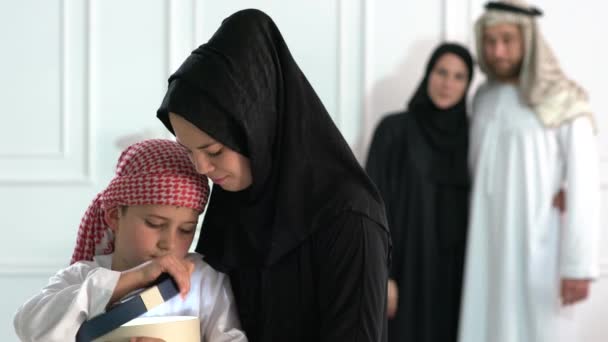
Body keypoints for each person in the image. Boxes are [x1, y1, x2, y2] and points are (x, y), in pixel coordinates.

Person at [156, 9, 391, 342]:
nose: (202, 169)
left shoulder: (351, 221)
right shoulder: (235, 202)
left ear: (256, 127)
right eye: (189, 151)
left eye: (213, 151)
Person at [459, 1, 600, 341]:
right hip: (484, 246)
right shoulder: (483, 98)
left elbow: (585, 187)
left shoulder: (564, 100)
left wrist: (578, 267)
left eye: (507, 40)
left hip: (540, 250)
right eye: (490, 41)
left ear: (529, 40)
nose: (497, 51)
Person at [13, 139, 247, 342]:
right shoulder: (81, 276)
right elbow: (30, 326)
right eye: (155, 224)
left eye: (186, 230)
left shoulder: (203, 279)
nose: (169, 243)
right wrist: (135, 278)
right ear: (114, 216)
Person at [366, 43, 474, 342]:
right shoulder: (394, 130)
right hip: (407, 272)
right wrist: (383, 275)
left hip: (459, 279)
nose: (447, 83)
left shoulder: (475, 136)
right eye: (441, 72)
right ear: (428, 74)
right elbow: (372, 208)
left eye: (459, 76)